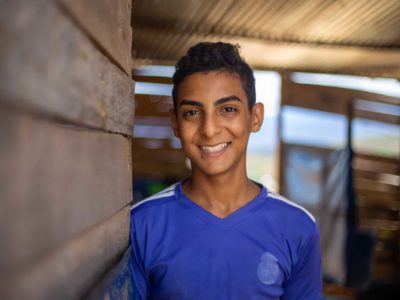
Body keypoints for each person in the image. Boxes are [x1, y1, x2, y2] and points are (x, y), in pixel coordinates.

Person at [129, 42, 322, 300]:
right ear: (175, 122)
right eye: (192, 112)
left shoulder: (297, 227)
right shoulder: (143, 224)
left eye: (228, 109)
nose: (209, 129)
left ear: (255, 117)